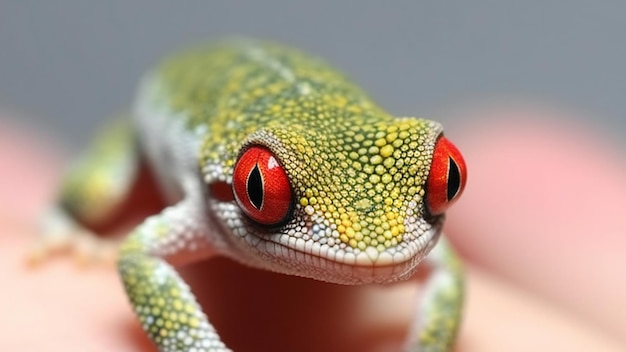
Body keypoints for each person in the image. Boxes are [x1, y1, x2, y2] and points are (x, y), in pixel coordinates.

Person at [1, 104, 624, 351]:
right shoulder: (205, 205)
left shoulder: (406, 230)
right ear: (237, 186)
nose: (380, 247)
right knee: (95, 192)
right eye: (264, 190)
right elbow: (139, 255)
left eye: (439, 183)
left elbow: (442, 275)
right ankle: (57, 213)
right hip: (196, 112)